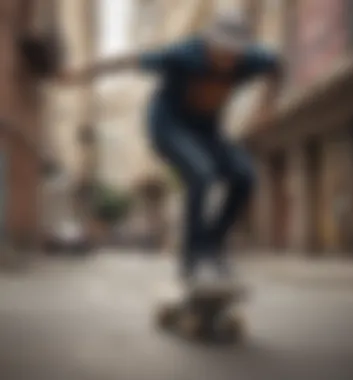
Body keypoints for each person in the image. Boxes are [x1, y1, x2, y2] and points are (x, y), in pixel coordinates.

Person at [60, 12, 283, 284]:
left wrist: (266, 108)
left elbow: (277, 67)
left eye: (233, 54)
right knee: (202, 174)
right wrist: (81, 72)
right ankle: (193, 260)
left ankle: (212, 250)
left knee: (245, 177)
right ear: (209, 44)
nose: (226, 60)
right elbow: (129, 60)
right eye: (220, 52)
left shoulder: (252, 60)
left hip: (207, 133)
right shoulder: (184, 55)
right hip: (167, 127)